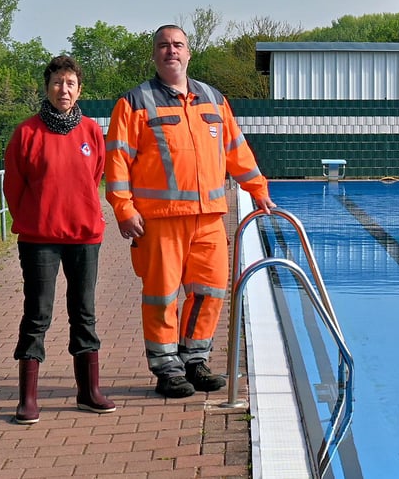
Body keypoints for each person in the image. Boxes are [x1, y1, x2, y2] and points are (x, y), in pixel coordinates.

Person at [105, 24, 275, 398]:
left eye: (178, 45)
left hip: (209, 218)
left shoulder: (214, 100)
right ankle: (167, 369)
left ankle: (194, 361)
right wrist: (123, 208)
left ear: (188, 52)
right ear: (154, 54)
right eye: (164, 45)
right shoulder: (134, 103)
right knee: (162, 297)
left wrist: (258, 189)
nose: (171, 51)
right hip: (160, 220)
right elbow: (117, 160)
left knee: (210, 292)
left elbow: (237, 150)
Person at [3, 55, 116, 424]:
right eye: (57, 82)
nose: (63, 89)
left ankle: (88, 391)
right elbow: (14, 186)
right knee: (37, 313)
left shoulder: (92, 132)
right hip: (39, 240)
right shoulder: (27, 133)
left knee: (84, 312)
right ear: (47, 87)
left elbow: (94, 176)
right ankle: (28, 398)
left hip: (84, 236)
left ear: (79, 90)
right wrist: (34, 219)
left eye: (70, 83)